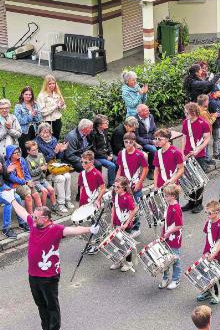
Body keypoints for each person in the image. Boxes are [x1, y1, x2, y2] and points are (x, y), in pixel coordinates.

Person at [2, 191, 97, 330]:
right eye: (33, 216)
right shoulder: (34, 224)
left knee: (52, 306)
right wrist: (12, 201)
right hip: (33, 275)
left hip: (49, 277)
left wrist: (89, 229)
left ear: (46, 218)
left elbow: (72, 230)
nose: (33, 219)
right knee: (41, 305)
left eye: (36, 217)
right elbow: (22, 212)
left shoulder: (56, 229)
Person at [34, 123, 71, 212]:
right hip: (45, 170)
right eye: (43, 132)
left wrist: (61, 151)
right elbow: (42, 160)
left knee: (68, 176)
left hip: (55, 166)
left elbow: (59, 157)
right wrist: (55, 152)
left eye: (48, 132)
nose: (46, 135)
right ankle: (61, 204)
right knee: (61, 178)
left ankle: (67, 200)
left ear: (51, 133)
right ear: (39, 133)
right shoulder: (36, 143)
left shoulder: (54, 140)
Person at [182, 102, 211, 213]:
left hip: (199, 155)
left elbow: (207, 139)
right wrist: (182, 152)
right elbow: (184, 138)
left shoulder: (203, 123)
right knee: (189, 179)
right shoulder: (185, 123)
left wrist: (198, 149)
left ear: (193, 112)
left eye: (187, 112)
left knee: (198, 181)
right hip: (187, 154)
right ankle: (191, 202)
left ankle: (199, 204)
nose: (185, 114)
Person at [196, 201, 220, 304]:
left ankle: (217, 293)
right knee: (207, 272)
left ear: (216, 212)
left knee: (216, 274)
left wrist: (214, 254)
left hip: (215, 253)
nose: (207, 215)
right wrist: (206, 252)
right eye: (206, 212)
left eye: (209, 213)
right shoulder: (208, 222)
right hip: (207, 252)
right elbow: (208, 236)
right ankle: (208, 291)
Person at [157, 183, 183, 289]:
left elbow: (179, 225)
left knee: (175, 259)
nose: (164, 197)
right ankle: (165, 277)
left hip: (173, 237)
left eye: (166, 195)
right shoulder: (170, 205)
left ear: (173, 196)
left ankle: (176, 279)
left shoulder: (175, 208)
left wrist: (168, 233)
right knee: (165, 258)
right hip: (167, 235)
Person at [109, 176, 137, 271]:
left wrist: (126, 224)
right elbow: (113, 207)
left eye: (118, 187)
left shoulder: (128, 198)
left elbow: (133, 211)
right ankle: (119, 261)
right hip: (116, 222)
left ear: (124, 187)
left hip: (125, 224)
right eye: (114, 186)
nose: (115, 188)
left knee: (126, 244)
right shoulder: (115, 194)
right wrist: (112, 220)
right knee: (117, 242)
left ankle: (129, 263)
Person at [6, 144, 42, 211]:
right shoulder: (7, 164)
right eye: (15, 153)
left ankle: (40, 212)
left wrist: (29, 180)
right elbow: (12, 178)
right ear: (10, 154)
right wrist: (25, 182)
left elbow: (26, 172)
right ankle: (30, 216)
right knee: (28, 196)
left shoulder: (21, 160)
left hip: (25, 182)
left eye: (18, 152)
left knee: (36, 194)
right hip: (15, 185)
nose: (18, 154)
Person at [25, 141, 58, 211]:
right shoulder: (27, 160)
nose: (36, 151)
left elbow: (44, 165)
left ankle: (54, 206)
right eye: (33, 150)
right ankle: (43, 209)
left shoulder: (41, 155)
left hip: (42, 178)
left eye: (37, 149)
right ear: (28, 151)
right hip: (35, 180)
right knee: (45, 191)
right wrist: (40, 168)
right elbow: (31, 173)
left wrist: (45, 168)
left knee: (52, 190)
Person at [89, 114, 117, 186]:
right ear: (99, 125)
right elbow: (94, 150)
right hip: (98, 156)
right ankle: (111, 184)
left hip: (106, 153)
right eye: (105, 122)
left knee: (118, 160)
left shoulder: (105, 130)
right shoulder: (93, 134)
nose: (107, 123)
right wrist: (106, 157)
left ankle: (116, 180)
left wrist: (110, 153)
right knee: (112, 166)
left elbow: (108, 143)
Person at [15, 87, 43, 157]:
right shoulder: (18, 106)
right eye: (26, 94)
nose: (28, 96)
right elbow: (19, 120)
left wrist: (35, 116)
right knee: (25, 150)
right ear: (22, 95)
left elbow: (39, 118)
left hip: (35, 130)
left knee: (34, 149)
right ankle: (25, 165)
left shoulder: (35, 105)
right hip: (24, 132)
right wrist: (31, 116)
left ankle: (35, 165)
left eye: (30, 94)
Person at [37, 75, 65, 140]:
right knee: (46, 139)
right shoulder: (41, 96)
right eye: (50, 84)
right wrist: (55, 107)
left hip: (57, 120)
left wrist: (61, 105)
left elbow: (63, 107)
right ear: (46, 84)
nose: (52, 85)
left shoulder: (57, 93)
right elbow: (42, 112)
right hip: (47, 121)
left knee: (56, 138)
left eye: (53, 83)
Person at [135, 104, 157, 175]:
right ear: (140, 113)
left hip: (152, 139)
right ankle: (151, 169)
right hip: (142, 142)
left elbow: (154, 129)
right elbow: (137, 138)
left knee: (166, 143)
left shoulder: (151, 116)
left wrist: (158, 138)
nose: (149, 112)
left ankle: (162, 166)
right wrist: (151, 142)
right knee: (153, 150)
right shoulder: (135, 120)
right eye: (146, 111)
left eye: (148, 110)